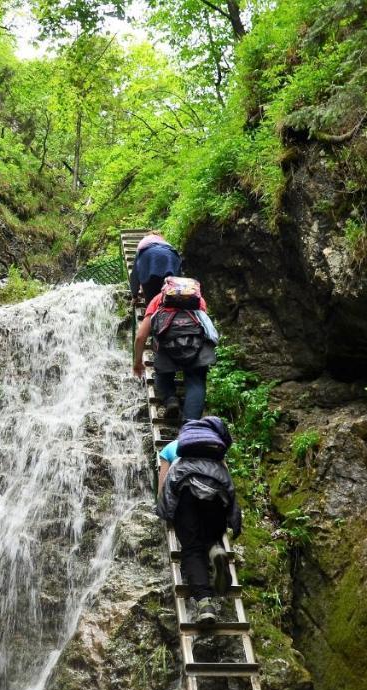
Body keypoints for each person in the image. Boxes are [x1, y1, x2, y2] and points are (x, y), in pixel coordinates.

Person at [156, 417, 242, 625]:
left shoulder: (171, 449)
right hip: (217, 491)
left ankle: (205, 603)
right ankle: (216, 549)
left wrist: (165, 512)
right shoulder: (216, 452)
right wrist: (233, 519)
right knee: (211, 534)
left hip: (185, 491)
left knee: (192, 548)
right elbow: (228, 486)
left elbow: (163, 484)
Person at [132, 277, 218, 421]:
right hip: (195, 344)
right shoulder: (198, 300)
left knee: (162, 374)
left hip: (167, 344)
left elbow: (141, 336)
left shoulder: (158, 299)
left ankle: (170, 400)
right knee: (196, 381)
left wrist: (137, 361)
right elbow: (205, 326)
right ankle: (190, 424)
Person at [128, 232, 182, 305]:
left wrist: (134, 295)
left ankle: (151, 311)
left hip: (148, 256)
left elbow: (135, 275)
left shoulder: (143, 245)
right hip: (171, 255)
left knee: (151, 302)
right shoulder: (164, 243)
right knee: (169, 300)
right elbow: (178, 277)